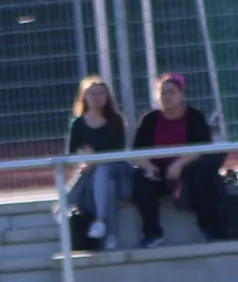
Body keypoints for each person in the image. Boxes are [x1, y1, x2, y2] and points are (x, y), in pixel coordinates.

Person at [130, 73, 227, 247]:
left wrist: (179, 164)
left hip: (187, 168)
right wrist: (148, 167)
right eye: (163, 93)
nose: (167, 96)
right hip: (158, 170)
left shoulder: (194, 116)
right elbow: (137, 153)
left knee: (201, 176)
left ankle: (209, 228)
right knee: (141, 180)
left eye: (171, 92)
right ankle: (152, 233)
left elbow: (202, 149)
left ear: (181, 94)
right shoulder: (149, 120)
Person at [66, 76, 139, 249]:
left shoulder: (116, 120)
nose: (97, 98)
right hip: (93, 172)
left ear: (107, 97)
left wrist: (95, 159)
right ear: (84, 97)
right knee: (107, 185)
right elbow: (71, 154)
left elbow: (118, 152)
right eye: (92, 94)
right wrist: (84, 155)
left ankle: (71, 204)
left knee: (103, 170)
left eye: (101, 94)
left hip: (117, 169)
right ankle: (108, 234)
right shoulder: (78, 123)